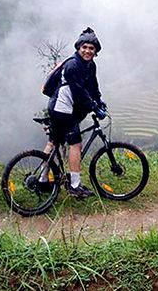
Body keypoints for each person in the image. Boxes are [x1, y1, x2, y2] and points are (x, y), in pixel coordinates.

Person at [44, 27, 108, 198]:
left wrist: (98, 100)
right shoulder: (73, 65)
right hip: (62, 108)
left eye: (91, 48)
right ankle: (74, 186)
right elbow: (79, 94)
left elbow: (93, 87)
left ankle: (43, 180)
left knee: (54, 143)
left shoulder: (89, 65)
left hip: (63, 107)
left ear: (95, 52)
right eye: (84, 47)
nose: (87, 51)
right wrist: (94, 108)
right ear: (78, 48)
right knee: (75, 144)